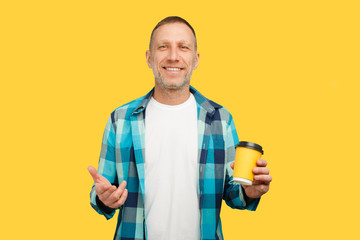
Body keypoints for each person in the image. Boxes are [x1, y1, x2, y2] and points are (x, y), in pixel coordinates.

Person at [88, 16, 272, 240]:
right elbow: (103, 191)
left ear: (195, 59)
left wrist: (248, 191)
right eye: (163, 46)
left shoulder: (220, 120)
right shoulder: (120, 120)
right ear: (149, 57)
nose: (173, 56)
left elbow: (232, 193)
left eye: (183, 47)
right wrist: (103, 200)